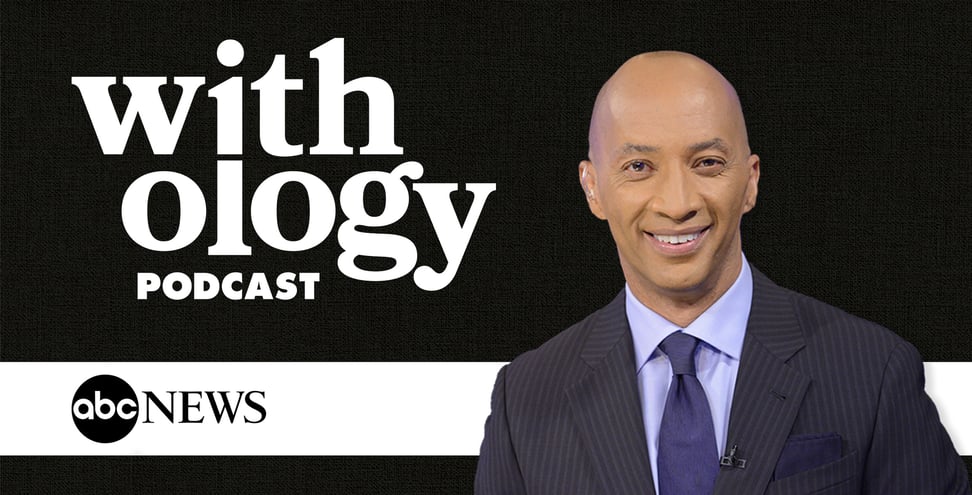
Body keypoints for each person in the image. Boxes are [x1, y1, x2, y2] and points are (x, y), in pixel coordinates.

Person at [475, 51, 969, 494]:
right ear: (593, 187)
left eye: (707, 163)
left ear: (750, 181)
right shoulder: (526, 398)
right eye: (639, 167)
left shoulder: (873, 371)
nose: (677, 203)